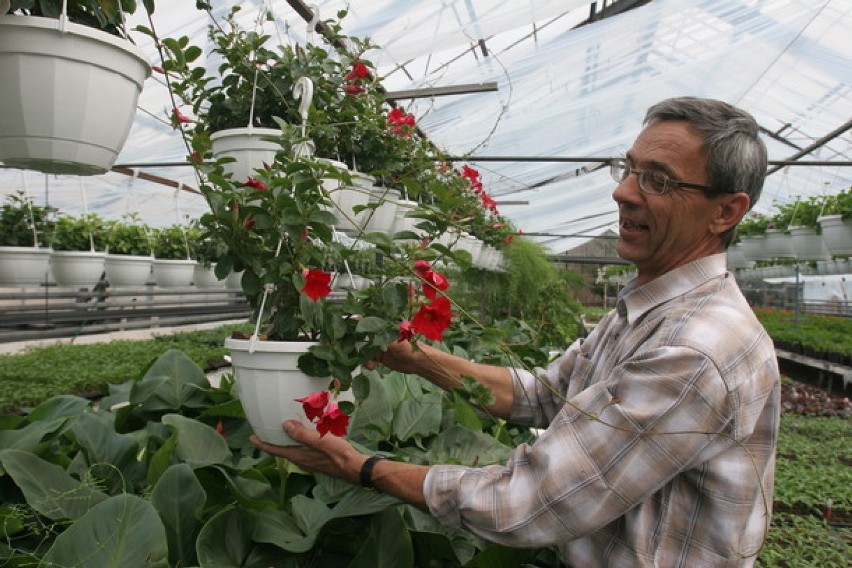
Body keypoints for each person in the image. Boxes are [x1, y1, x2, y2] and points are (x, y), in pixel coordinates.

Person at [251, 96, 781, 567]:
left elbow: (528, 501)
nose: (623, 192)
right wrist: (415, 358)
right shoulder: (650, 310)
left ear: (726, 211)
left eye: (657, 180)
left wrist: (363, 468)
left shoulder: (694, 350)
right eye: (629, 168)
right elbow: (544, 395)